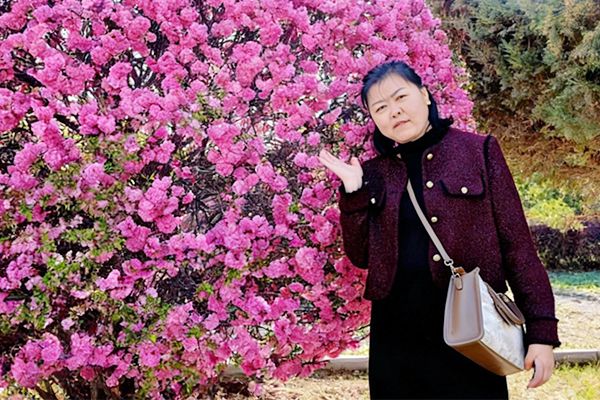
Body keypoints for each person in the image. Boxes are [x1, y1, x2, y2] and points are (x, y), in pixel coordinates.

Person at [318, 61, 560, 399]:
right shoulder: (374, 173)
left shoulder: (478, 151)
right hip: (397, 337)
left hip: (471, 329)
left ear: (425, 95)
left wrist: (542, 333)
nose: (394, 111)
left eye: (401, 97)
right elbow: (361, 257)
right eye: (381, 108)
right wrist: (354, 192)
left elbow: (517, 247)